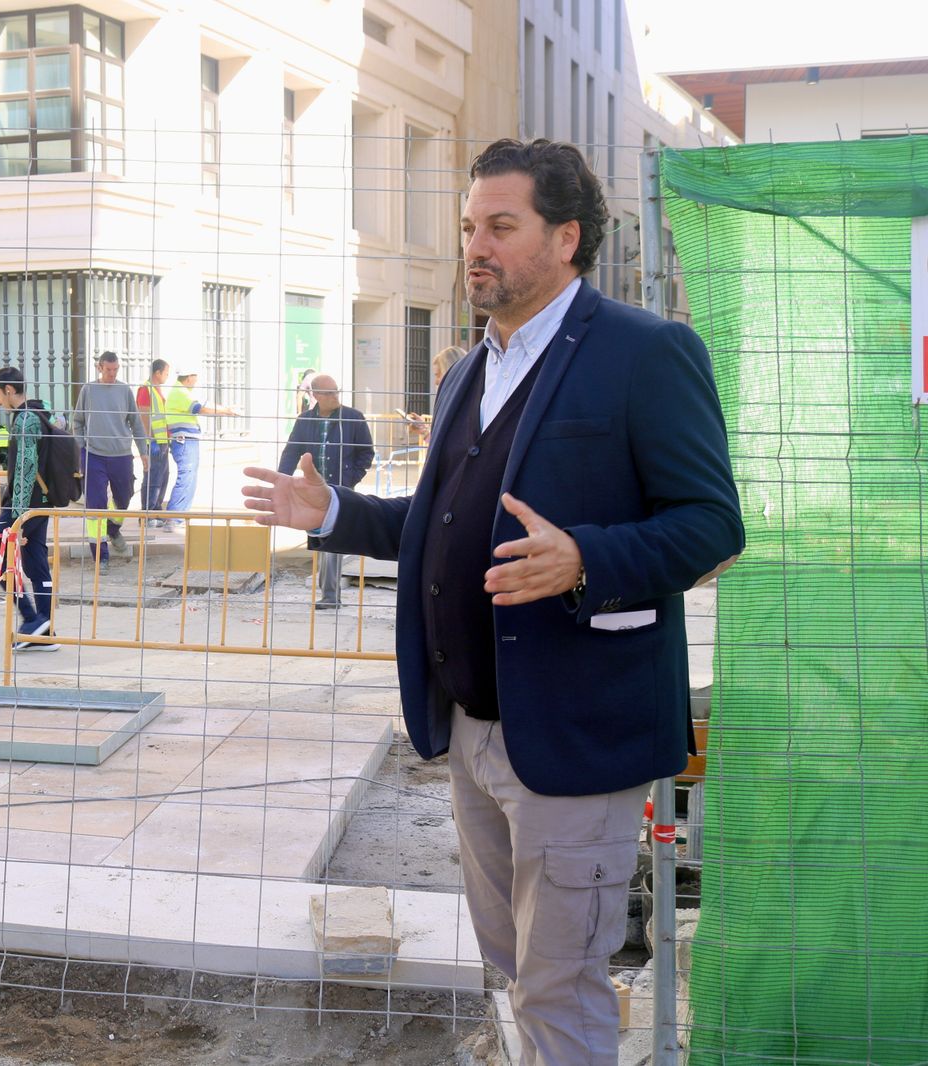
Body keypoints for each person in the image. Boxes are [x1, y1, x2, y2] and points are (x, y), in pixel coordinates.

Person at [242, 138, 743, 1063]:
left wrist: (584, 559)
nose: (476, 245)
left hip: (575, 737)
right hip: (471, 732)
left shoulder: (646, 352)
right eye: (471, 226)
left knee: (561, 986)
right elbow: (442, 524)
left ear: (567, 238)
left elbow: (713, 525)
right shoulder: (472, 367)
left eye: (501, 227)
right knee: (517, 968)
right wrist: (336, 512)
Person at [277, 373, 373, 609]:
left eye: (336, 391)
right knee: (319, 540)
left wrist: (350, 479)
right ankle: (328, 593)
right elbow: (292, 452)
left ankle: (330, 596)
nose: (334, 397)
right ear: (316, 395)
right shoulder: (306, 420)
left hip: (339, 491)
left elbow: (366, 453)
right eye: (328, 393)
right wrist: (282, 481)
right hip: (312, 492)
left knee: (334, 542)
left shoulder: (352, 418)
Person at [0, 367, 58, 650]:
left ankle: (31, 618)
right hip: (41, 501)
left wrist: (17, 520)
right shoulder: (38, 414)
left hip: (23, 505)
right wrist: (1, 456)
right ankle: (44, 632)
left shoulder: (25, 420)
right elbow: (27, 459)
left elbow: (26, 471)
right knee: (37, 565)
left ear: (10, 391)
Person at [72, 350, 147, 565]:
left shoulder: (124, 390)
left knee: (124, 497)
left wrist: (143, 451)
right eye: (108, 370)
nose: (112, 374)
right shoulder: (89, 390)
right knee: (96, 506)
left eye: (115, 370)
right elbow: (77, 422)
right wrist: (81, 448)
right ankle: (100, 556)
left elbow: (136, 423)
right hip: (94, 454)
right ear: (99, 368)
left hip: (121, 454)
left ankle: (113, 530)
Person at [162, 367, 241, 525]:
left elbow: (205, 403)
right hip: (183, 441)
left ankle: (178, 516)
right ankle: (173, 517)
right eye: (196, 376)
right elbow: (200, 409)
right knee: (187, 476)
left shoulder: (183, 392)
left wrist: (226, 409)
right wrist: (225, 412)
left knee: (190, 477)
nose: (197, 380)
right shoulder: (180, 392)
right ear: (189, 377)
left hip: (187, 440)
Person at [136, 359, 172, 518]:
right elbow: (144, 415)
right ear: (157, 373)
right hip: (154, 442)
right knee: (153, 478)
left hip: (162, 441)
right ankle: (148, 513)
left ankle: (156, 509)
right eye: (166, 373)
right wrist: (150, 439)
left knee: (163, 477)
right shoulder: (146, 389)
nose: (167, 376)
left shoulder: (157, 390)